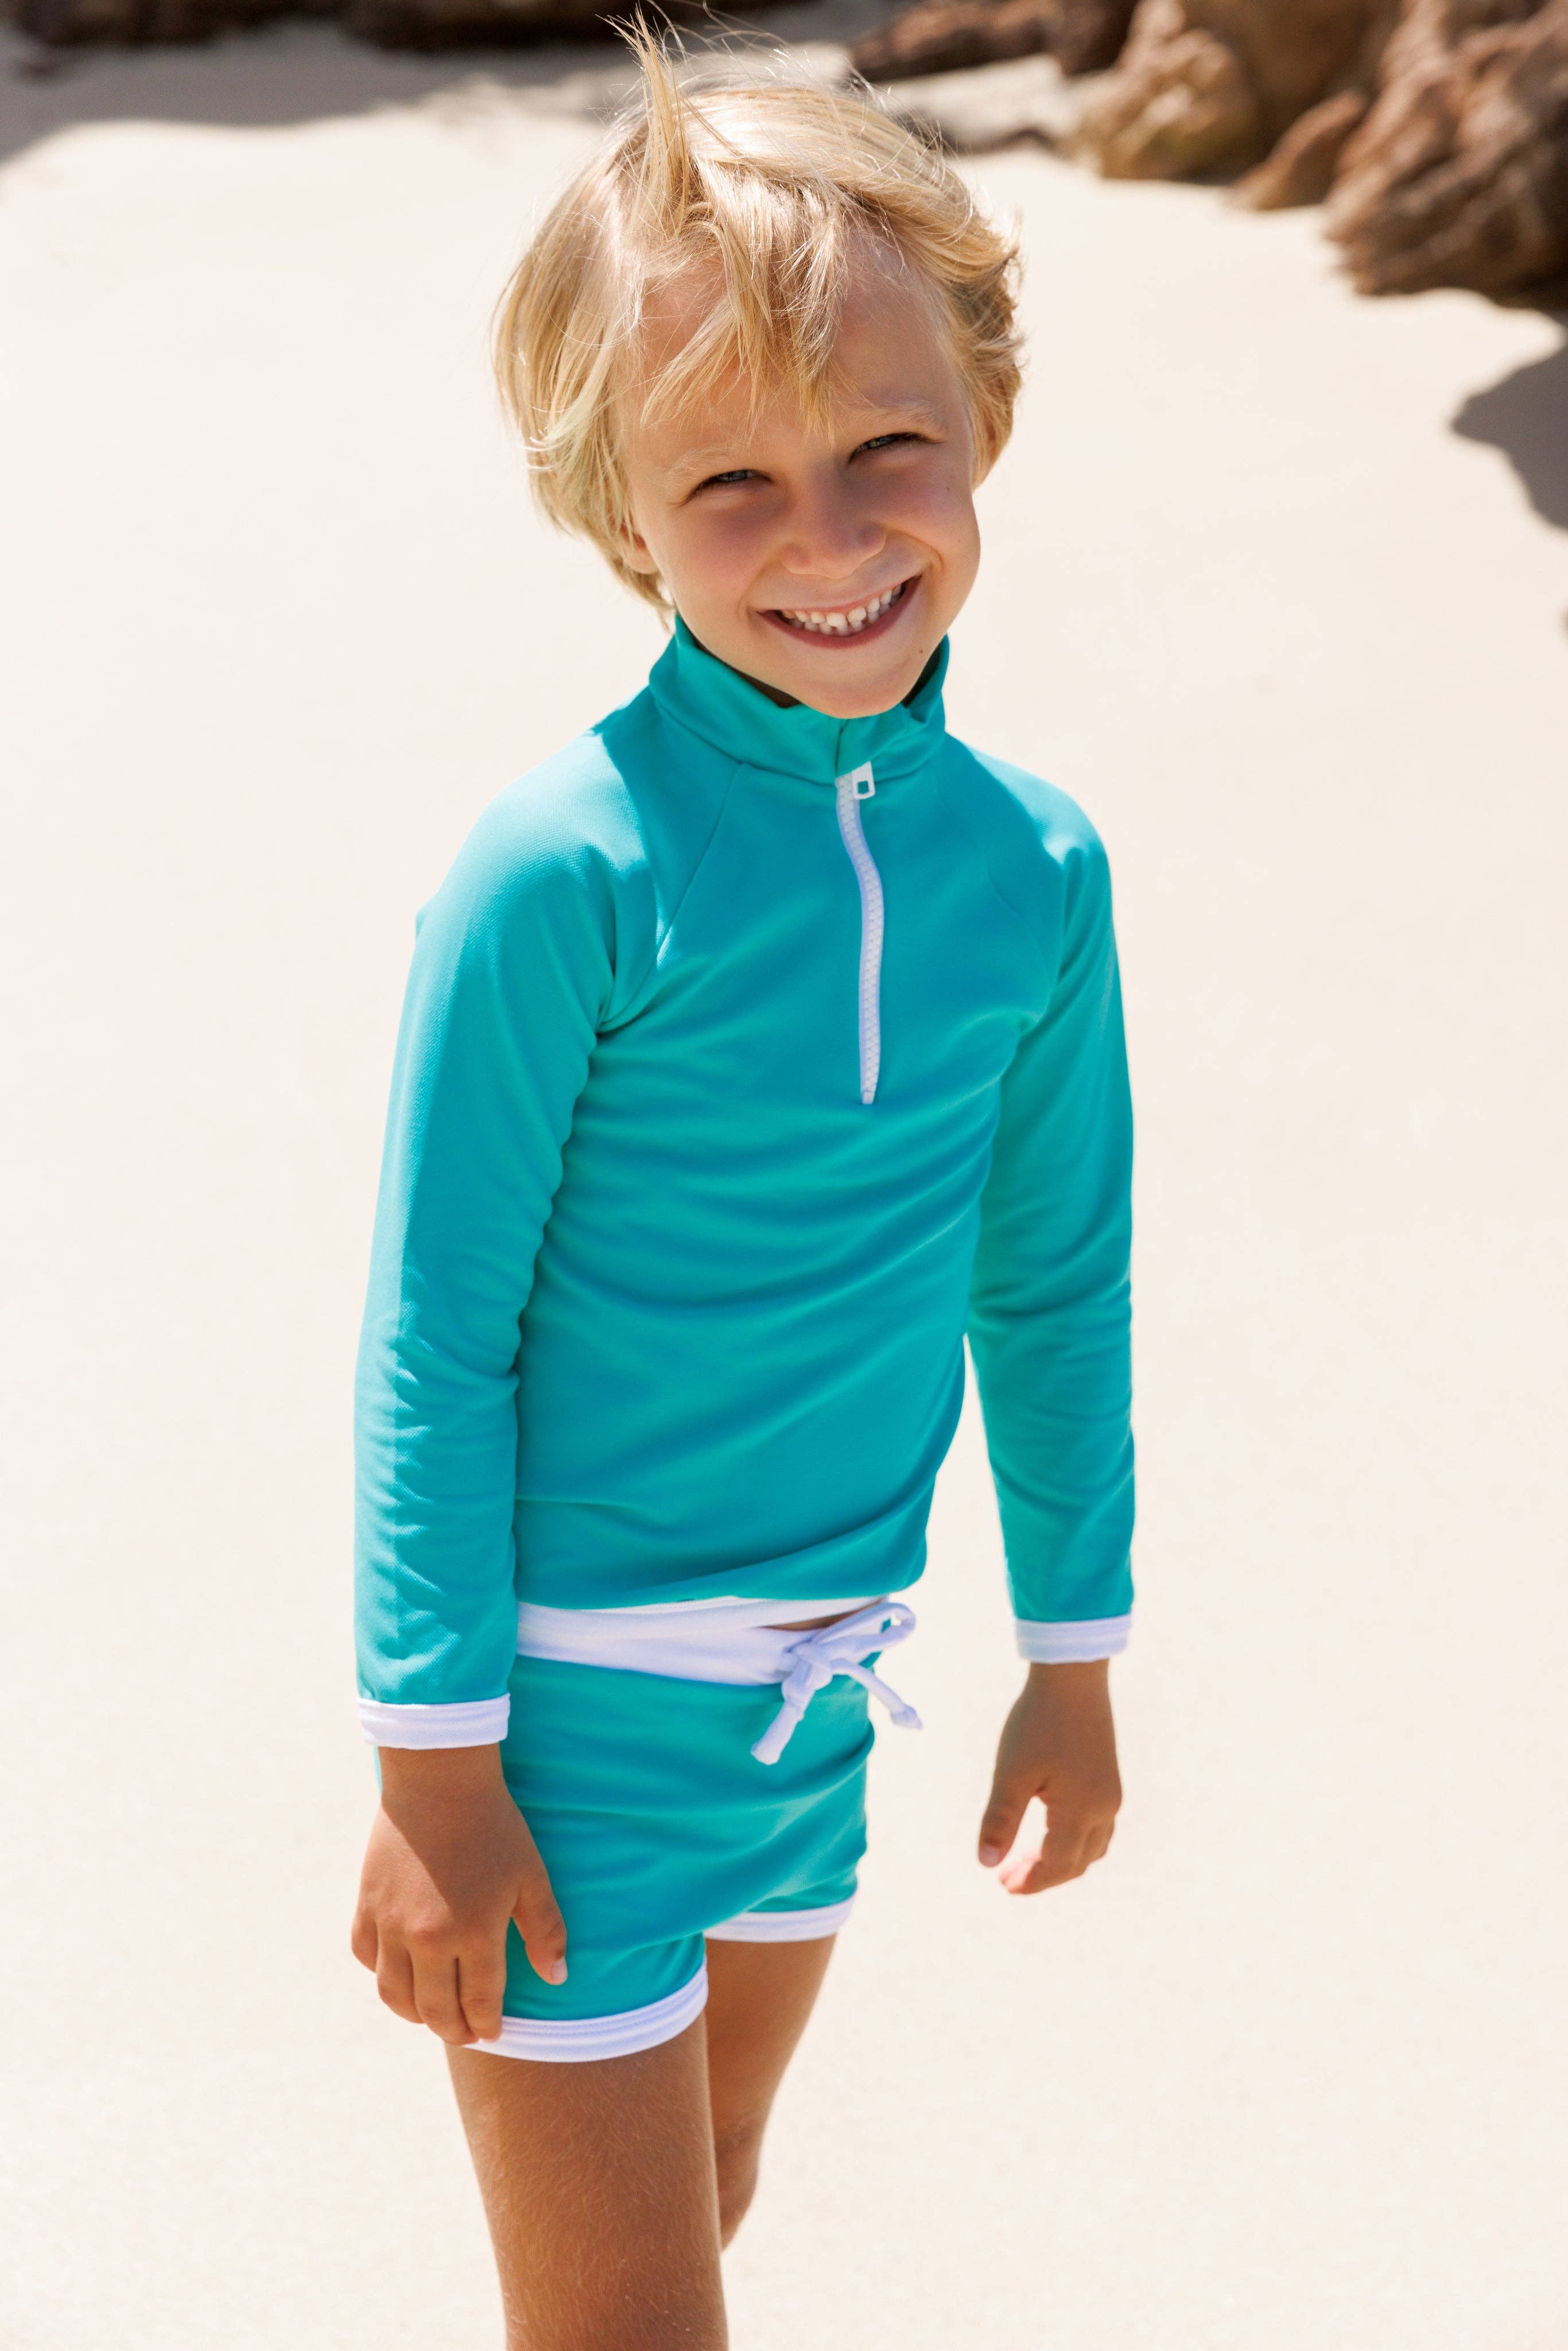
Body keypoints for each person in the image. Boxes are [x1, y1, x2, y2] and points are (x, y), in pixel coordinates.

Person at [350, 42, 1134, 2349]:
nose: (828, 536)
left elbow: (1048, 1282)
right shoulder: (562, 873)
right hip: (561, 1728)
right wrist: (428, 1768)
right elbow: (437, 1333)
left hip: (817, 1712)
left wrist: (1070, 1658)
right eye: (728, 483)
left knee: (699, 2197)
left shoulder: (1034, 872)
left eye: (885, 446)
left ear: (984, 414)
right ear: (622, 518)